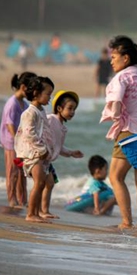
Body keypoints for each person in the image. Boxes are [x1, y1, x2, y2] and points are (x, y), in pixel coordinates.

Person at [100, 35, 137, 231]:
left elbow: (116, 102)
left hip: (130, 132)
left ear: (125, 58)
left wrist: (115, 116)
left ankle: (126, 222)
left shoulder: (122, 77)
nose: (111, 60)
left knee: (116, 177)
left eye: (114, 56)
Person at [13, 75, 54, 223]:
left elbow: (45, 131)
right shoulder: (29, 113)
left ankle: (36, 212)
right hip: (32, 153)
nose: (50, 97)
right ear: (36, 93)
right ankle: (30, 214)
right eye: (48, 94)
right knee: (39, 183)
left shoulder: (41, 111)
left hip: (40, 153)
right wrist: (42, 149)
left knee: (41, 183)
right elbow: (29, 133)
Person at [40, 90, 84, 219]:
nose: (72, 112)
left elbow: (57, 146)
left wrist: (70, 152)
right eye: (69, 108)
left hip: (47, 161)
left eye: (74, 109)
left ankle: (43, 210)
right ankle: (38, 211)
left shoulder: (62, 127)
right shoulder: (51, 119)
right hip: (40, 157)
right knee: (43, 184)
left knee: (49, 183)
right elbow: (39, 131)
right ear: (59, 108)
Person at [0, 71, 36, 208]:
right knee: (12, 172)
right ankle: (12, 199)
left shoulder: (24, 104)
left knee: (22, 173)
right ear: (23, 87)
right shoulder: (12, 103)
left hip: (21, 144)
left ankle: (22, 200)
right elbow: (10, 125)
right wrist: (17, 141)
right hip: (11, 143)